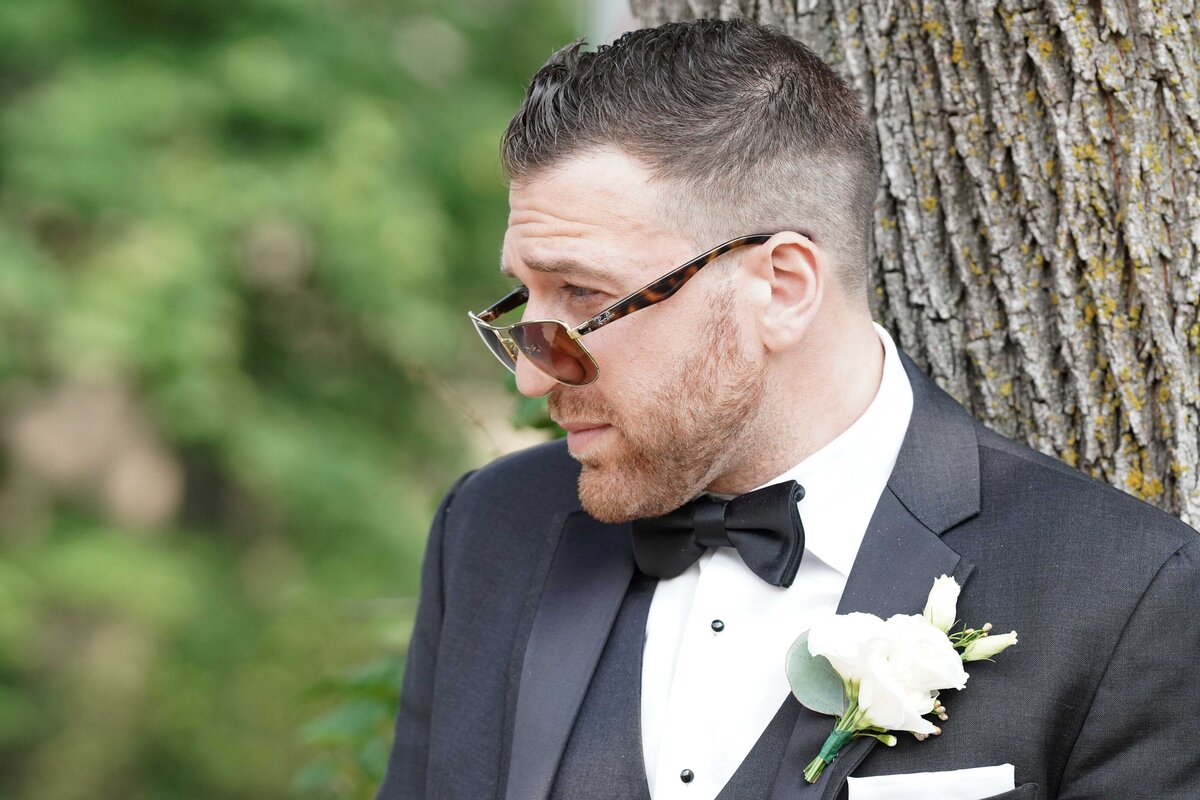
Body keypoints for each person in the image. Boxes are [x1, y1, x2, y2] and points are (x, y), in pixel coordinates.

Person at [376, 17, 1200, 800]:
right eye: (525, 299)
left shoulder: (1125, 599)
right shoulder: (491, 529)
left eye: (583, 296)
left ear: (780, 287)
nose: (530, 378)